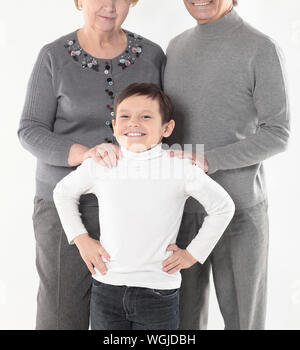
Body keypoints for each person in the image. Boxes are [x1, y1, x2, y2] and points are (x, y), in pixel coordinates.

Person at [17, 0, 166, 330]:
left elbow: (164, 127)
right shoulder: (53, 56)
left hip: (133, 206)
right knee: (62, 311)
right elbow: (29, 129)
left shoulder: (153, 56)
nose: (109, 6)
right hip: (65, 205)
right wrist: (85, 153)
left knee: (123, 313)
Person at [53, 83, 235, 330]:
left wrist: (193, 254)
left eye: (146, 116)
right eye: (125, 116)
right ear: (115, 126)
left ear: (166, 128)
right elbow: (63, 193)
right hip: (107, 288)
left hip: (158, 292)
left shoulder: (178, 167)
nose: (134, 123)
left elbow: (223, 207)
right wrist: (81, 239)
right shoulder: (103, 164)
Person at [163, 0, 290, 330]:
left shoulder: (261, 48)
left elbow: (278, 134)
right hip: (183, 211)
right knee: (181, 324)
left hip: (239, 210)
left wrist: (210, 160)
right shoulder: (175, 47)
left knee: (243, 321)